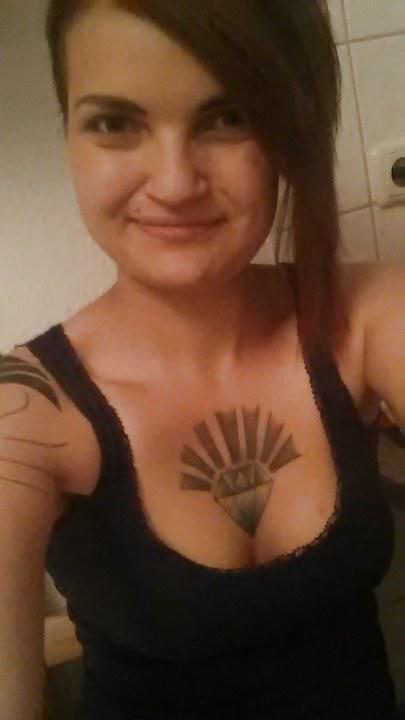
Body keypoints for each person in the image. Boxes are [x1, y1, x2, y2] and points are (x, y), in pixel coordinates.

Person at [0, 1, 404, 718]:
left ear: (288, 132)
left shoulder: (373, 313)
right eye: (115, 123)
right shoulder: (25, 412)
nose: (175, 182)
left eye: (227, 118)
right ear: (71, 137)